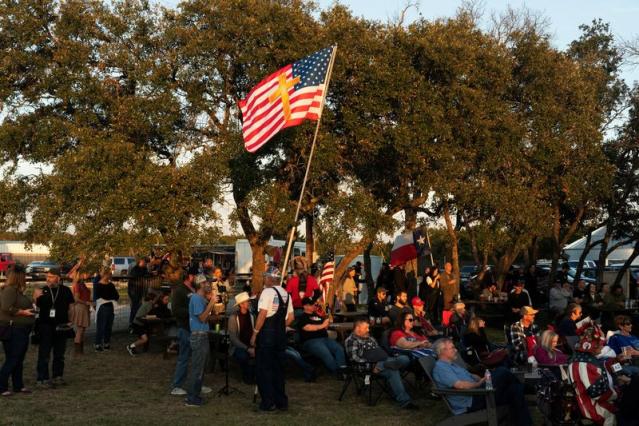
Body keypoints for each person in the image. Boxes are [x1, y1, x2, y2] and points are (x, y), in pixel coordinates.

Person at [432, 338, 532, 425]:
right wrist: (480, 383)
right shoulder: (441, 368)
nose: (456, 350)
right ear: (442, 351)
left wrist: (484, 379)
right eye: (452, 348)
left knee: (515, 389)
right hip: (472, 400)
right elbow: (460, 385)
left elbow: (472, 376)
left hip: (480, 392)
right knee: (502, 370)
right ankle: (530, 388)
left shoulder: (453, 365)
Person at [344, 319, 418, 409]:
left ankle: (383, 365)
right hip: (367, 366)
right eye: (366, 328)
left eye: (368, 327)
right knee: (393, 371)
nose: (368, 330)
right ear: (358, 328)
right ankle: (405, 402)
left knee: (404, 358)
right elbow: (355, 359)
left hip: (382, 361)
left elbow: (378, 351)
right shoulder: (351, 340)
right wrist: (373, 364)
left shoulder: (370, 338)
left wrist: (379, 362)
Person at [250, 267, 294, 412]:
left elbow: (262, 314)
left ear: (270, 278)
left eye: (265, 277)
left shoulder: (267, 292)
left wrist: (255, 333)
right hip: (280, 336)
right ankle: (281, 401)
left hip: (267, 336)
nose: (264, 279)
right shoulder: (286, 294)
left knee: (264, 369)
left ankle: (268, 403)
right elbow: (291, 318)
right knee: (278, 369)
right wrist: (280, 327)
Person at [569, 323, 623, 425]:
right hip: (590, 405)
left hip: (590, 398)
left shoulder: (580, 360)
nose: (602, 347)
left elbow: (607, 366)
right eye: (599, 345)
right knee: (620, 410)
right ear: (593, 346)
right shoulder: (588, 365)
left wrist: (615, 363)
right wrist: (618, 391)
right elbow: (597, 394)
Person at [35, 268, 75, 387]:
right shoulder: (42, 290)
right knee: (44, 353)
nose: (48, 279)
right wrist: (36, 297)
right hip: (45, 325)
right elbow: (36, 307)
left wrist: (71, 321)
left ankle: (58, 376)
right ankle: (42, 378)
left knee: (59, 354)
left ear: (58, 278)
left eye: (51, 277)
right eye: (47, 276)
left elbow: (71, 307)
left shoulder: (66, 290)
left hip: (61, 326)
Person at [0, 267, 36, 396]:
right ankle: (2, 386)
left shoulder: (18, 291)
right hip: (14, 330)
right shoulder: (9, 290)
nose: (25, 278)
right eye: (24, 276)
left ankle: (18, 385)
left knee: (19, 359)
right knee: (13, 358)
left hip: (22, 330)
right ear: (19, 277)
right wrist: (23, 312)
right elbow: (6, 308)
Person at [184, 280, 216, 407]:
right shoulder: (197, 298)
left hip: (201, 335)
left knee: (200, 367)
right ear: (200, 285)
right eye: (205, 283)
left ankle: (195, 395)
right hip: (198, 336)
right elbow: (202, 318)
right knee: (197, 368)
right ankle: (191, 398)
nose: (208, 285)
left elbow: (205, 317)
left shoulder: (200, 299)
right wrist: (212, 303)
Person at [297, 297, 346, 374]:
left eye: (315, 304)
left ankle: (343, 370)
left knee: (339, 348)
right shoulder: (302, 317)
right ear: (305, 306)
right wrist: (323, 325)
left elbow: (325, 325)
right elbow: (308, 328)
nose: (314, 306)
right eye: (312, 304)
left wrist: (327, 322)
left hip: (324, 339)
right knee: (325, 353)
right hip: (311, 341)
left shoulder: (317, 315)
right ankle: (337, 372)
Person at [228, 291, 256, 384]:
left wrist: (254, 346)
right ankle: (247, 377)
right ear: (241, 304)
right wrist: (248, 349)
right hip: (239, 346)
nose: (249, 303)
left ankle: (255, 375)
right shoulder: (233, 317)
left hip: (251, 344)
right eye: (247, 301)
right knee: (243, 356)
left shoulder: (252, 315)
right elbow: (233, 339)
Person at [67, 258, 91, 355]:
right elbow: (76, 299)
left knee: (82, 329)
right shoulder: (77, 284)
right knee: (80, 330)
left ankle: (80, 350)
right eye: (85, 273)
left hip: (83, 307)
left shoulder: (81, 284)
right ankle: (78, 351)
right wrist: (86, 303)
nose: (88, 274)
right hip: (80, 307)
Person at [93, 268, 119, 352]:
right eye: (109, 274)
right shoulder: (98, 285)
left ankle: (106, 343)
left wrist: (110, 298)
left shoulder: (110, 285)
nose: (110, 276)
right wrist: (110, 298)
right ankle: (98, 344)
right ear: (105, 275)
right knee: (101, 326)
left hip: (110, 307)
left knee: (108, 326)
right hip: (103, 307)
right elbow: (98, 297)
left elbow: (116, 296)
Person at [128, 258, 148, 328]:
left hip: (140, 290)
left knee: (139, 307)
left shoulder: (144, 269)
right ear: (140, 262)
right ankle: (131, 323)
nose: (145, 263)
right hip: (133, 291)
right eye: (144, 262)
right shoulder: (135, 269)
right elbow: (136, 275)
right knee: (135, 307)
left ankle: (136, 322)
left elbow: (146, 275)